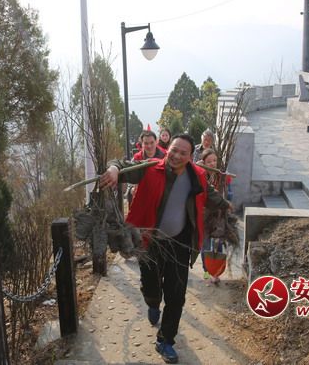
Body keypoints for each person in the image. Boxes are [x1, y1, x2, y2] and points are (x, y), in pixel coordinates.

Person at [99, 134, 231, 364]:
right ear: (167, 148)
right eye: (174, 150)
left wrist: (229, 208)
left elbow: (212, 198)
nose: (176, 155)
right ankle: (152, 302)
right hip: (149, 242)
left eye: (183, 153)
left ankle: (166, 340)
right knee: (151, 286)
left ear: (191, 157)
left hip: (180, 244)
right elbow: (120, 165)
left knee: (176, 295)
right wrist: (113, 170)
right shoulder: (150, 168)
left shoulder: (197, 176)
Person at [197, 148, 233, 284]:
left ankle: (216, 272)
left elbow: (228, 192)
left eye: (214, 161)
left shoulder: (219, 175)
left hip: (218, 215)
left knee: (218, 244)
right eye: (209, 161)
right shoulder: (201, 175)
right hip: (204, 216)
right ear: (203, 162)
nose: (212, 164)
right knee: (205, 245)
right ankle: (207, 272)